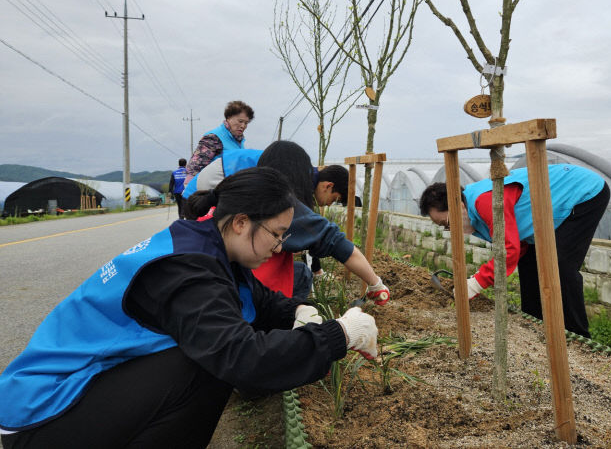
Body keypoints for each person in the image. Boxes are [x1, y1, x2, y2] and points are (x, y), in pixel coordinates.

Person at [0, 168, 378, 449]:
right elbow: (243, 357)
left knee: (207, 351)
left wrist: (299, 311)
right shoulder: (187, 270)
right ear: (241, 222)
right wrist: (339, 335)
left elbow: (260, 302)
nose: (280, 248)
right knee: (203, 363)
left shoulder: (208, 245)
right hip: (40, 415)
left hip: (77, 394)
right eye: (277, 234)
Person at [419, 164, 610, 338]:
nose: (449, 229)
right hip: (551, 207)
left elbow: (508, 250)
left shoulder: (484, 202)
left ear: (458, 206)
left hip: (583, 192)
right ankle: (534, 323)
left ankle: (579, 336)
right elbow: (518, 247)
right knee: (528, 261)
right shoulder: (472, 214)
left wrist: (476, 283)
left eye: (446, 223)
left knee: (560, 265)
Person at [191, 142, 390, 304]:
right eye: (277, 234)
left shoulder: (231, 201)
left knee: (300, 271)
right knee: (300, 275)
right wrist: (376, 285)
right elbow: (339, 245)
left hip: (216, 290)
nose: (278, 247)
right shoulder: (285, 207)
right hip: (249, 301)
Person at [185, 100, 254, 184]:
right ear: (228, 118)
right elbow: (194, 169)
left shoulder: (239, 141)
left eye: (246, 123)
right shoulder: (214, 138)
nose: (243, 126)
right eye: (240, 121)